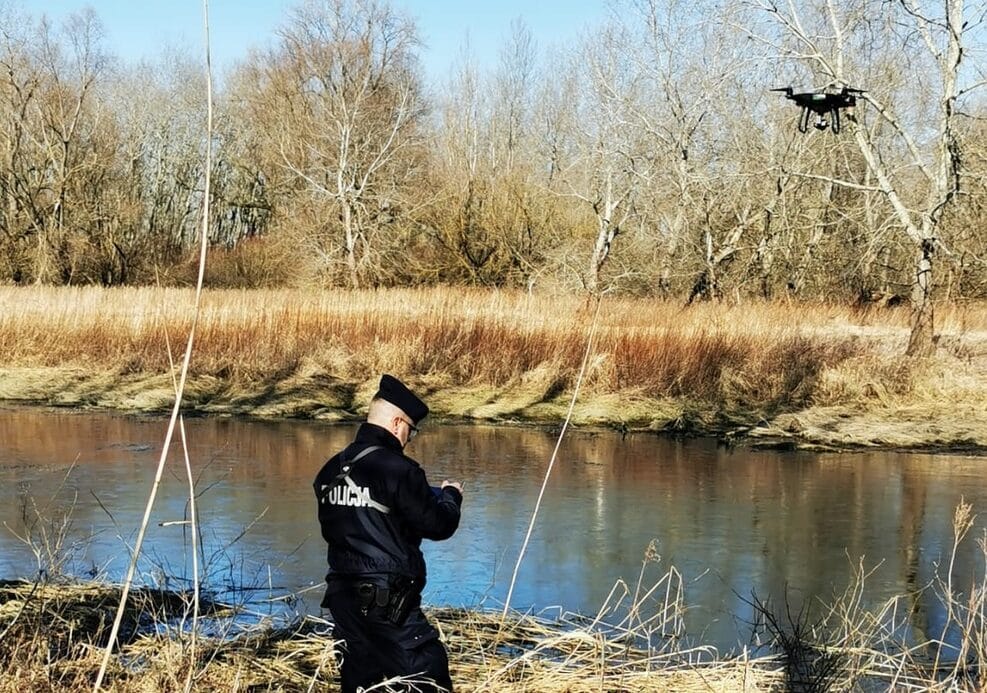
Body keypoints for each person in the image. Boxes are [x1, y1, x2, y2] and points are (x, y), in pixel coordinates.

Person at [314, 374, 463, 692]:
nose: (409, 438)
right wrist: (451, 496)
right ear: (397, 424)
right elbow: (439, 525)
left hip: (342, 597)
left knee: (360, 682)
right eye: (411, 430)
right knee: (428, 677)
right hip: (387, 601)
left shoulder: (329, 470)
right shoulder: (399, 470)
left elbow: (349, 523)